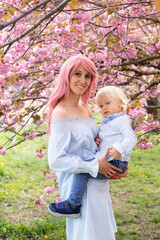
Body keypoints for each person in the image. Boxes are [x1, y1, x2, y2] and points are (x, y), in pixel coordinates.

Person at [44, 54, 128, 240]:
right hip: (78, 186)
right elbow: (56, 160)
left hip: (97, 181)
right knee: (88, 234)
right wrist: (95, 166)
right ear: (67, 76)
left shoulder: (86, 108)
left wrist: (119, 164)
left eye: (88, 75)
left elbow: (96, 142)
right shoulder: (60, 113)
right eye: (77, 74)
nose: (83, 80)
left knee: (101, 232)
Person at [48, 85, 137, 219]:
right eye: (101, 106)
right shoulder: (108, 121)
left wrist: (120, 149)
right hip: (110, 160)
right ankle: (73, 204)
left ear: (120, 103)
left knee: (83, 171)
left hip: (115, 162)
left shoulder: (123, 120)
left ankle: (73, 205)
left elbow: (131, 138)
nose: (104, 108)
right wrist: (97, 140)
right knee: (84, 170)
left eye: (107, 103)